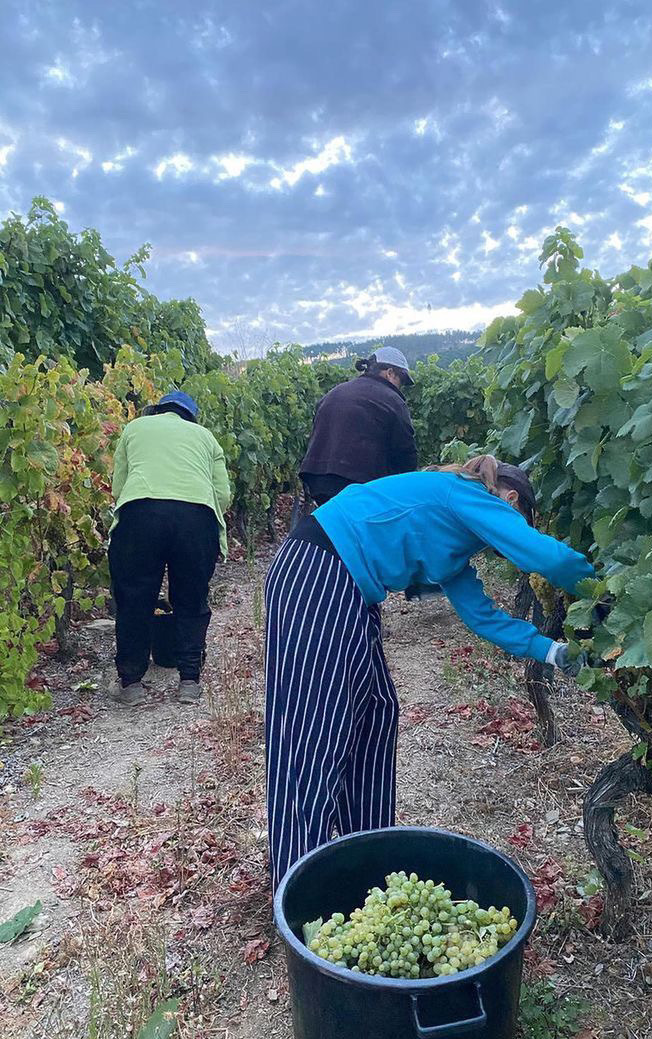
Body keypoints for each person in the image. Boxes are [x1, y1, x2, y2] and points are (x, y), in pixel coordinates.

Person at [264, 455, 594, 889]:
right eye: (519, 521)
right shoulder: (467, 493)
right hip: (319, 571)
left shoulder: (455, 547)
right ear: (509, 500)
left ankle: (366, 864)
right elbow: (545, 557)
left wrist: (552, 652)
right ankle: (298, 887)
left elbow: (483, 617)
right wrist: (600, 592)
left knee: (375, 714)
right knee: (314, 735)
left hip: (347, 588)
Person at [107, 391, 231, 706]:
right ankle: (189, 681)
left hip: (141, 513)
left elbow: (119, 487)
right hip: (195, 517)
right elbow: (223, 494)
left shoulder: (134, 428)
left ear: (158, 410)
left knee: (135, 598)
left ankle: (132, 684)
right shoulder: (205, 437)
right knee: (191, 598)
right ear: (191, 415)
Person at [298, 346, 418, 506]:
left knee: (334, 526)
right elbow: (405, 453)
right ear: (390, 373)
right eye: (400, 381)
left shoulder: (334, 392)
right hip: (357, 484)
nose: (400, 387)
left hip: (316, 479)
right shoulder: (392, 399)